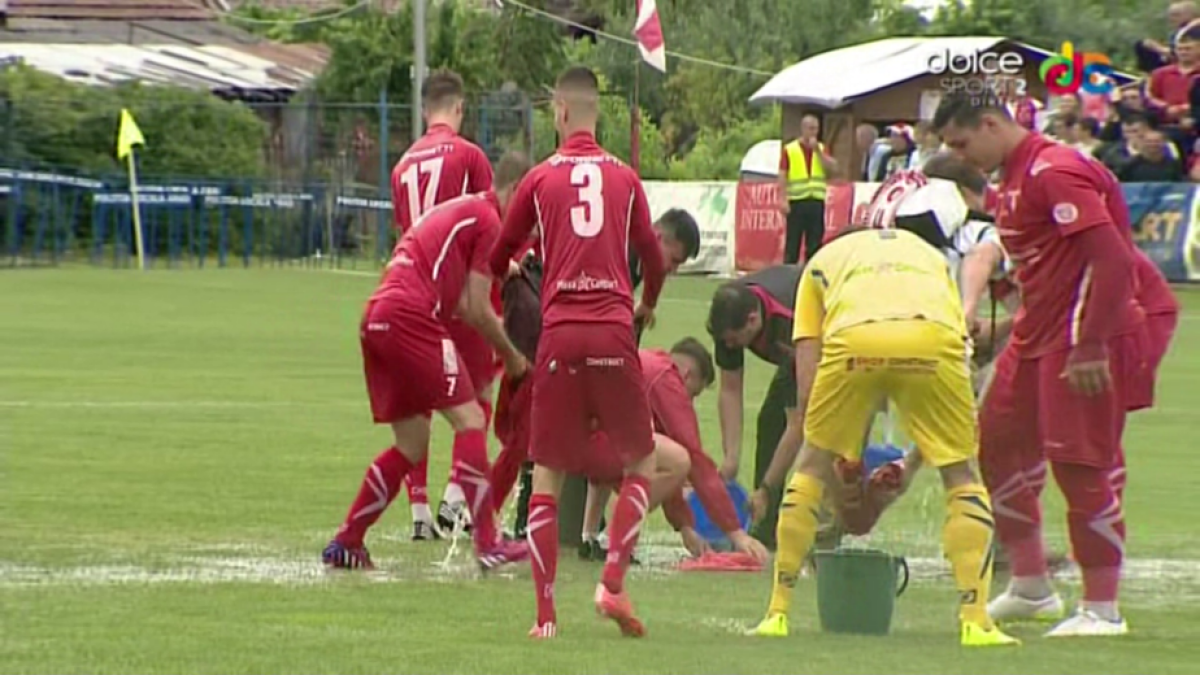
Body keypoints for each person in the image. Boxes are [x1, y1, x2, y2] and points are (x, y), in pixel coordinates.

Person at [746, 224, 1017, 647]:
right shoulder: (928, 257)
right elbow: (956, 350)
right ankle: (976, 620)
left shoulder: (819, 266)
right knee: (961, 474)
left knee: (811, 465)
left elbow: (807, 390)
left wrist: (834, 464)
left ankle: (777, 612)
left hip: (855, 341)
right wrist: (909, 467)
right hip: (931, 340)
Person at [934, 93, 1145, 637]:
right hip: (1033, 339)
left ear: (988, 124)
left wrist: (1092, 343)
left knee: (1080, 464)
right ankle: (1031, 585)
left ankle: (1103, 607)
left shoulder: (1056, 171)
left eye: (961, 144)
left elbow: (1113, 258)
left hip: (1075, 340)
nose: (961, 157)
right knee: (995, 444)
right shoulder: (1014, 179)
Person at [488, 66, 667, 639]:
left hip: (560, 334)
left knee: (548, 476)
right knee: (641, 463)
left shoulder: (541, 179)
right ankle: (612, 578)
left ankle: (545, 618)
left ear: (560, 113)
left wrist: (509, 272)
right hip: (614, 329)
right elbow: (654, 257)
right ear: (595, 112)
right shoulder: (625, 176)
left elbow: (498, 253)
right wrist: (647, 304)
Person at [323, 153, 533, 571]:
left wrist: (500, 273)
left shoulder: (467, 212)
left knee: (411, 444)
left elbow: (456, 298)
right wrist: (513, 357)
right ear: (513, 191)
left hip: (377, 316)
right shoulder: (489, 218)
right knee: (471, 421)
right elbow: (475, 308)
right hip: (409, 316)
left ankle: (347, 540)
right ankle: (488, 543)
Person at [489, 208, 700, 543]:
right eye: (672, 260)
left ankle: (536, 524)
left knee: (541, 428)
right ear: (658, 238)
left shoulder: (628, 258)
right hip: (546, 320)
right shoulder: (624, 251)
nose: (670, 270)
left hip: (551, 323)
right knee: (537, 428)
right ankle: (502, 522)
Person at [389, 69, 496, 540]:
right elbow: (490, 225)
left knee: (420, 400)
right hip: (456, 293)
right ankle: (456, 497)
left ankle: (417, 513)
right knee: (479, 393)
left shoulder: (401, 167)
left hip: (414, 293)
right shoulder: (469, 155)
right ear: (459, 108)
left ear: (423, 110)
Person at [579, 340, 770, 563]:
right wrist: (735, 532)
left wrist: (685, 526)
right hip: (590, 443)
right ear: (687, 375)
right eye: (693, 394)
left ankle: (589, 536)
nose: (689, 401)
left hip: (576, 439)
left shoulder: (647, 363)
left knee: (644, 453)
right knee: (680, 460)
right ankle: (615, 536)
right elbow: (693, 460)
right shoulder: (665, 378)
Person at [705, 265, 804, 550]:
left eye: (734, 341)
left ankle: (815, 532)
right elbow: (730, 389)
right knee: (771, 422)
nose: (730, 346)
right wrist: (731, 457)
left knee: (818, 437)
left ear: (752, 321)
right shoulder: (730, 317)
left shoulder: (790, 320)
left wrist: (766, 488)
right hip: (793, 357)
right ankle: (765, 530)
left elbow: (798, 423)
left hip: (825, 344)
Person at [778, 114, 838, 264]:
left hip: (816, 200)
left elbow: (832, 169)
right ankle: (789, 273)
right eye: (811, 129)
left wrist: (818, 151)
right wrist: (783, 198)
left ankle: (811, 271)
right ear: (803, 129)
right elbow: (782, 174)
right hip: (797, 201)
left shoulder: (822, 148)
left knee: (815, 242)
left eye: (816, 129)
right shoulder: (790, 149)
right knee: (793, 242)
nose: (814, 132)